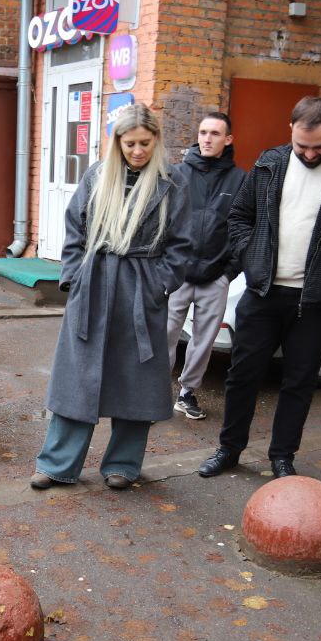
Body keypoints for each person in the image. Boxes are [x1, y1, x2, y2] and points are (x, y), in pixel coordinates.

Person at [198, 96, 321, 480]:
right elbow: (239, 217)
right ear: (291, 130)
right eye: (302, 145)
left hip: (315, 300)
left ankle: (282, 456)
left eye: (319, 146)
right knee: (243, 375)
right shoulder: (270, 163)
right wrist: (250, 257)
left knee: (299, 381)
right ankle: (229, 449)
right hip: (263, 292)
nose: (310, 153)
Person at [31, 103, 193, 490]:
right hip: (95, 284)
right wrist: (74, 279)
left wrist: (160, 283)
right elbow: (75, 231)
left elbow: (183, 244)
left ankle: (123, 464)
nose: (137, 151)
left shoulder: (173, 182)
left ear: (156, 140)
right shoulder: (96, 176)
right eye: (129, 143)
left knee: (135, 380)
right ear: (117, 142)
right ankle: (57, 463)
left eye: (144, 143)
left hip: (141, 288)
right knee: (77, 379)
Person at [166, 112, 247, 420]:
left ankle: (186, 393)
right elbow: (164, 222)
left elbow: (244, 229)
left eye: (215, 133)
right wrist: (168, 264)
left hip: (216, 276)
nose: (207, 139)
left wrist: (229, 272)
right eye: (203, 132)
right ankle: (158, 392)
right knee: (166, 334)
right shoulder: (177, 174)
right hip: (179, 274)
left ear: (228, 139)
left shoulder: (240, 179)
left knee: (204, 340)